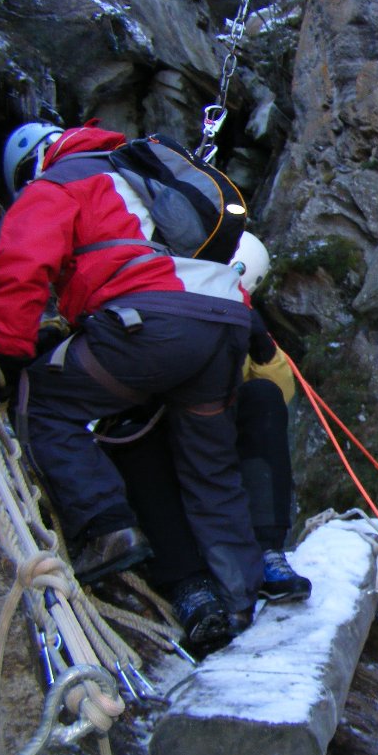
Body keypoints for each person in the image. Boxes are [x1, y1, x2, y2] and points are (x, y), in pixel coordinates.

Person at [0, 121, 263, 632]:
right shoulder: (146, 178)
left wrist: (8, 350)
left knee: (43, 398)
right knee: (212, 472)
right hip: (225, 322)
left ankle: (105, 527)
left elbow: (21, 269)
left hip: (150, 325)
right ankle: (242, 599)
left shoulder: (57, 183)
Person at [100, 234, 311, 651]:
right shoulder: (164, 292)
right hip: (154, 434)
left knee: (263, 399)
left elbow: (281, 393)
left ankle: (267, 550)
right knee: (134, 432)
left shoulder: (239, 321)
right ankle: (187, 581)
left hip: (211, 442)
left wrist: (261, 345)